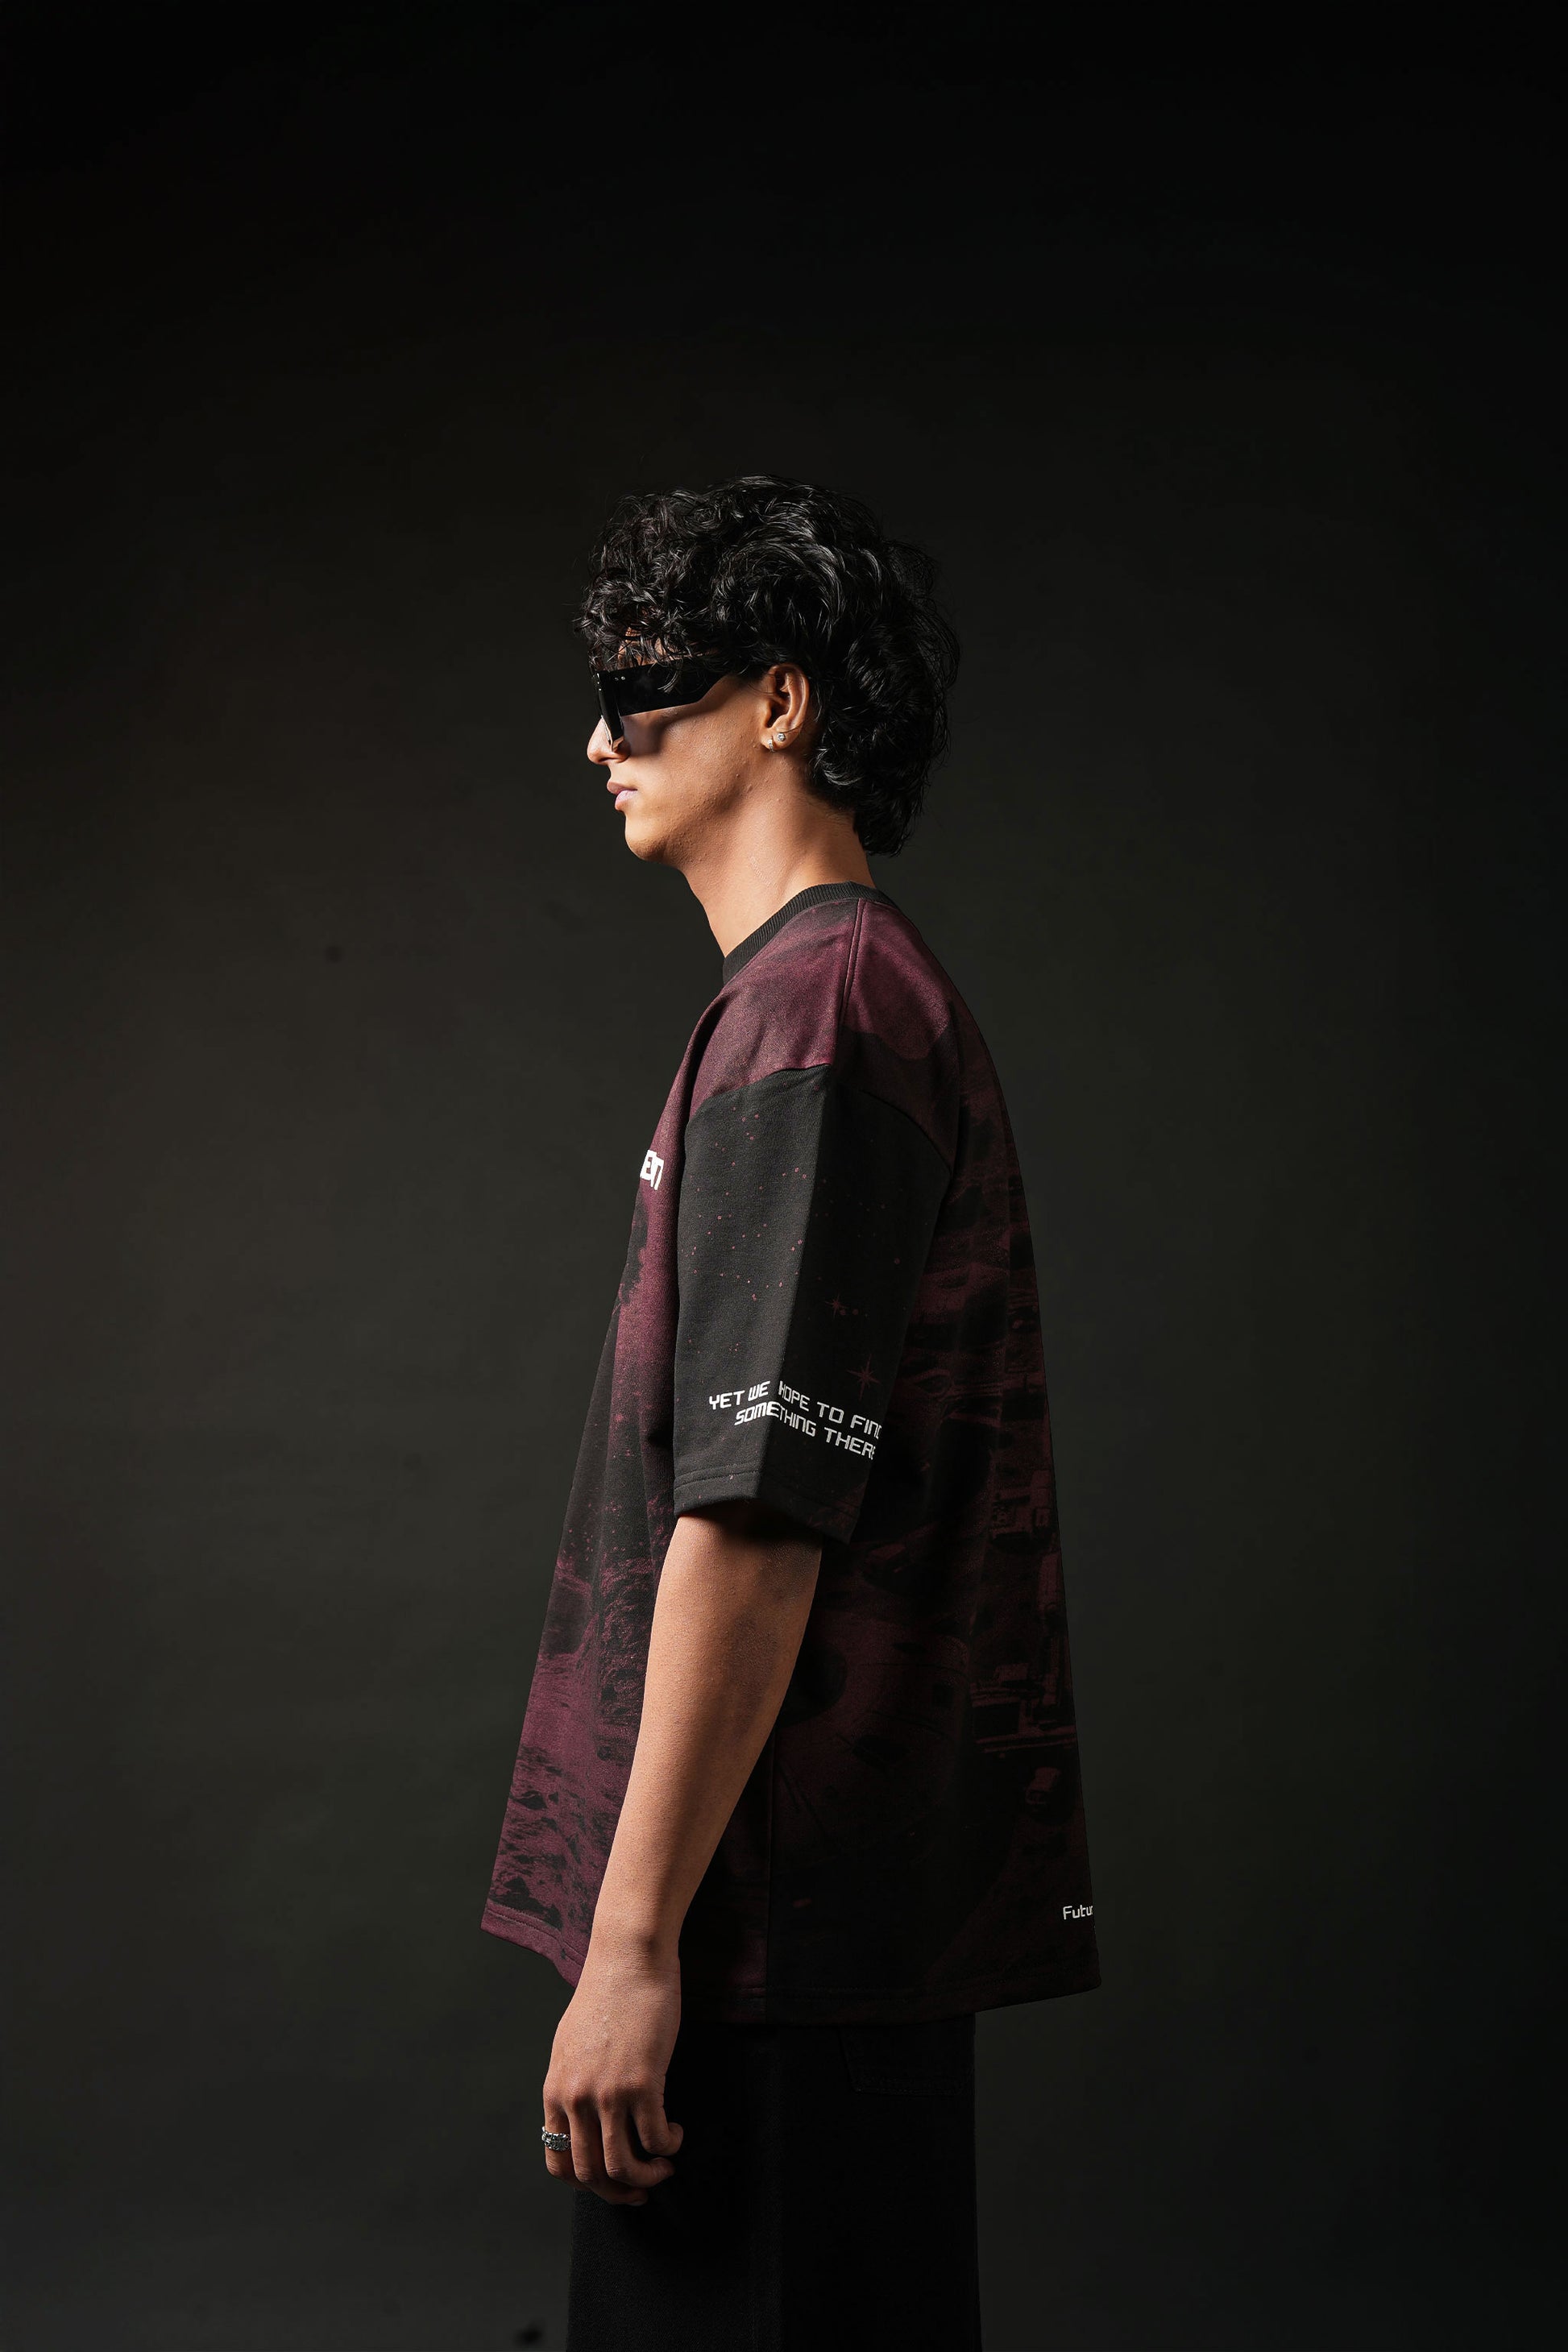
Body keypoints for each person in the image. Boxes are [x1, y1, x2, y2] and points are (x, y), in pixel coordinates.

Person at [483, 476, 1099, 2350]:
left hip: (770, 1950)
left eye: (638, 685)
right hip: (802, 1935)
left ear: (778, 699)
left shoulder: (819, 1018)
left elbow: (756, 1517)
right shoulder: (823, 1001)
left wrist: (632, 1946)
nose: (598, 738)